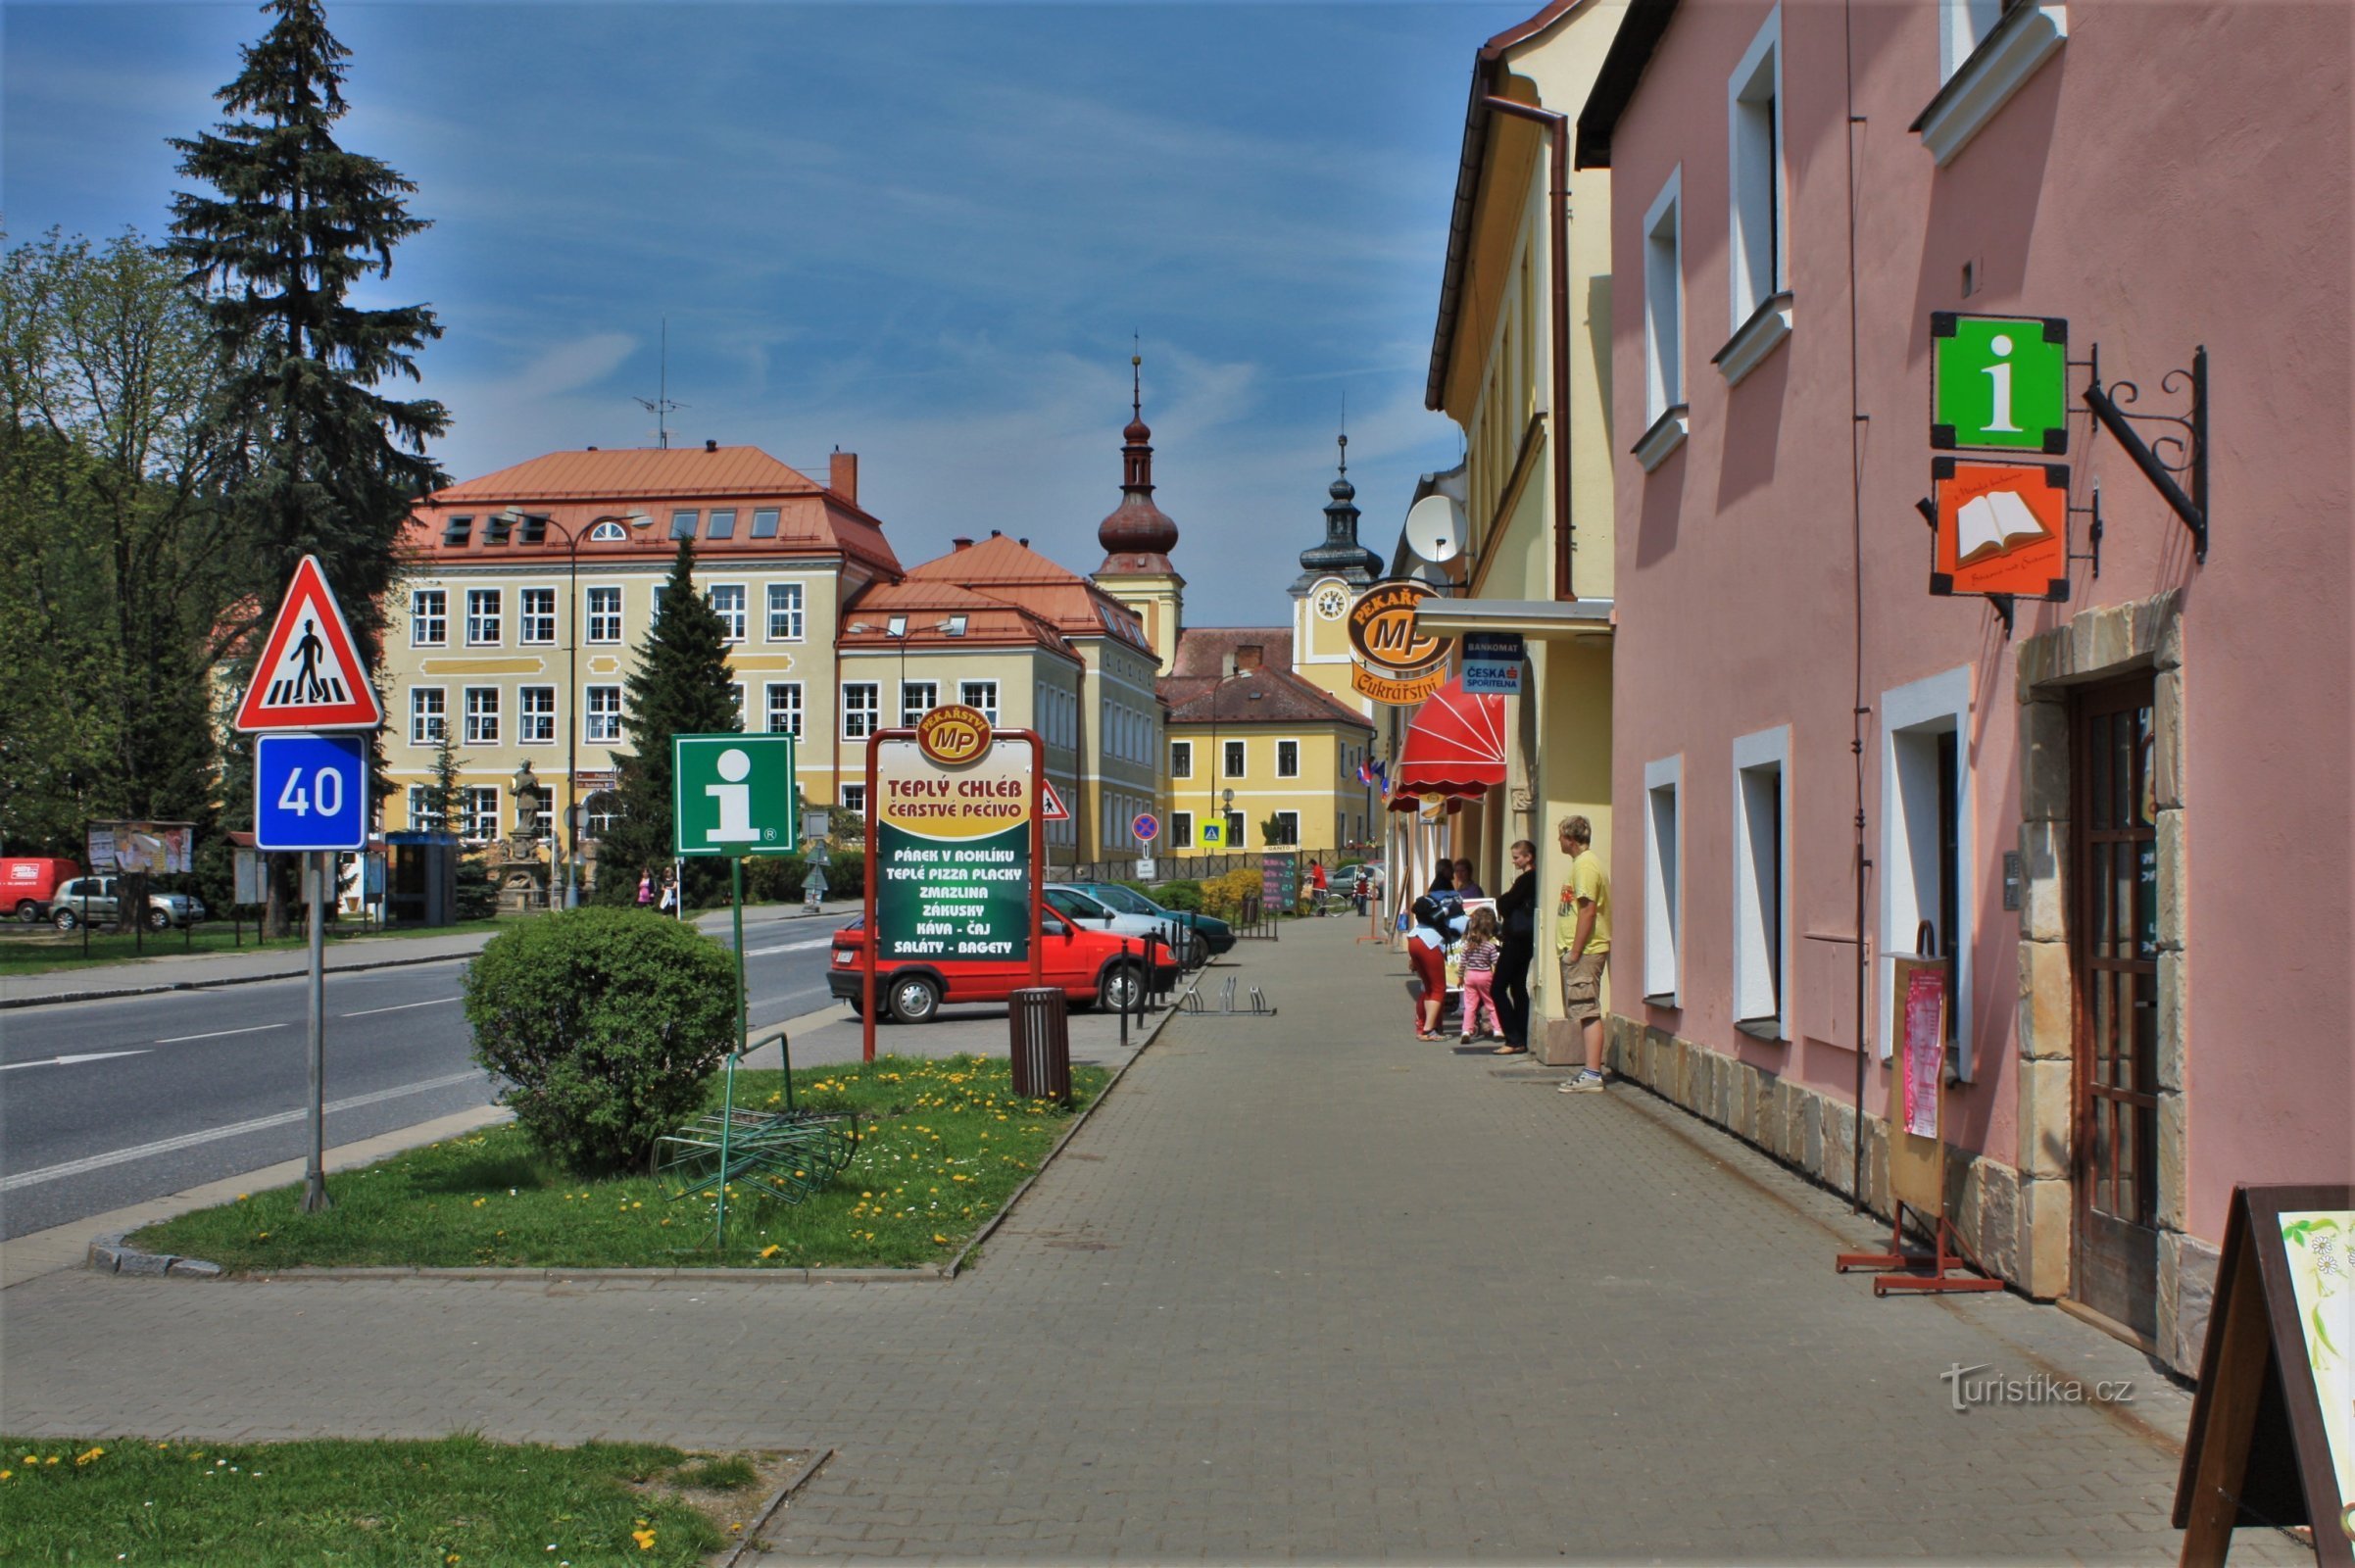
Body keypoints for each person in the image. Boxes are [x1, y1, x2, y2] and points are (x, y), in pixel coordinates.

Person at [1554, 815, 1612, 1093]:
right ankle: (1589, 1071)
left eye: (1560, 836)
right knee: (1583, 1009)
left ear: (1570, 838)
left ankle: (1592, 1074)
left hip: (1586, 951)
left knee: (1588, 1010)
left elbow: (1588, 910)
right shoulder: (1581, 864)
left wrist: (1575, 952)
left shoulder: (1586, 865)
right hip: (1580, 950)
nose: (1558, 841)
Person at [1406, 874, 1465, 1041]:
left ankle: (1426, 1028)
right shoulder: (1453, 905)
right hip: (1430, 943)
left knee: (1428, 988)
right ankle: (1429, 1030)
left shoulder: (1431, 902)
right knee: (1439, 988)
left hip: (1415, 938)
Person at [1494, 839, 1537, 1054]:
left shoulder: (1527, 879)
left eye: (1516, 857)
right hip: (1526, 939)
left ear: (1528, 857)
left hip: (1516, 939)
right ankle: (1521, 1036)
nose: (1514, 861)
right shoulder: (1533, 878)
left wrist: (1504, 903)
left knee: (1497, 987)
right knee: (1518, 987)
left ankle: (1512, 1037)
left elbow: (1505, 902)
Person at [1457, 906, 1504, 1044]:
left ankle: (1466, 1030)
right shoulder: (1489, 947)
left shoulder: (1468, 946)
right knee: (1491, 1003)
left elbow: (1462, 963)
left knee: (1470, 1006)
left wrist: (1460, 977)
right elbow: (1495, 963)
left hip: (1470, 976)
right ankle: (1497, 1030)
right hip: (1485, 976)